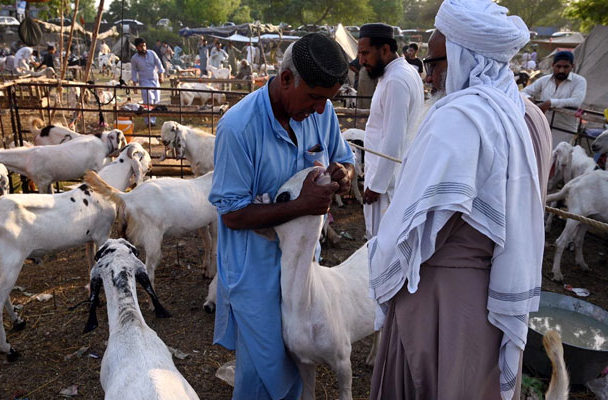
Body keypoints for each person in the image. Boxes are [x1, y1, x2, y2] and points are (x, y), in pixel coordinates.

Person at [368, 1, 551, 399]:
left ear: (464, 57)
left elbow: (414, 226)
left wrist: (383, 259)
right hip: (493, 296)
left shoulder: (460, 117)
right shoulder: (530, 116)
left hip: (440, 299)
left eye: (434, 62)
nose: (429, 75)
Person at [208, 33, 355, 400]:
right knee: (264, 370)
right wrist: (300, 205)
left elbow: (346, 158)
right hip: (256, 271)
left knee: (302, 355)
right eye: (315, 98)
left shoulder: (322, 112)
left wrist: (343, 173)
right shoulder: (237, 128)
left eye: (328, 100)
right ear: (287, 79)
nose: (321, 110)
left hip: (305, 263)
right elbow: (232, 215)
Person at [357, 23, 424, 241]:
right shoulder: (397, 74)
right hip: (389, 179)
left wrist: (376, 185)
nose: (361, 60)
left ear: (385, 49)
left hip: (387, 187)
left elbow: (394, 137)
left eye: (365, 53)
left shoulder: (396, 79)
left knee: (382, 246)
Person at [522, 50, 587, 147]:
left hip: (565, 129)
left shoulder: (579, 81)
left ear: (572, 66)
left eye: (566, 67)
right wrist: (529, 99)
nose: (561, 70)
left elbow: (576, 101)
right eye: (558, 66)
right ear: (553, 65)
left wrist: (549, 103)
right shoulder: (545, 80)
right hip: (542, 126)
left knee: (556, 158)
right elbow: (524, 92)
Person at [130, 37, 164, 126]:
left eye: (144, 46)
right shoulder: (135, 58)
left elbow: (159, 64)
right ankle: (149, 122)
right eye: (141, 46)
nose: (143, 48)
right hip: (144, 81)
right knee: (148, 100)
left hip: (155, 80)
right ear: (137, 47)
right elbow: (134, 71)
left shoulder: (152, 53)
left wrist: (161, 75)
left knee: (156, 101)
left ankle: (153, 119)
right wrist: (134, 84)